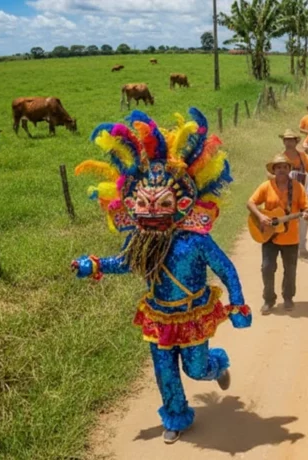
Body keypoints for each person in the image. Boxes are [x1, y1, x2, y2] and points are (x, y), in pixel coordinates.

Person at [71, 109, 252, 444]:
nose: (151, 210)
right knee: (164, 372)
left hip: (192, 314)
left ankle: (217, 366)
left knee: (195, 370)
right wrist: (93, 265)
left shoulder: (196, 240)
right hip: (158, 316)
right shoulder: (140, 240)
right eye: (144, 203)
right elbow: (125, 263)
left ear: (182, 202)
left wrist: (238, 303)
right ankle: (176, 415)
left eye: (162, 202)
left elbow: (226, 269)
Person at [247, 154, 308, 314]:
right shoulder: (266, 186)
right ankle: (269, 299)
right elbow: (250, 202)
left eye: (284, 167)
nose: (282, 170)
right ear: (274, 170)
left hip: (290, 237)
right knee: (267, 268)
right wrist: (261, 216)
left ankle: (288, 297)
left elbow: (306, 207)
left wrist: (307, 213)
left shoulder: (297, 187)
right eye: (278, 167)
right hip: (270, 237)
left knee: (290, 270)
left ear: (289, 170)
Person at [277, 129, 308, 258]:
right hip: (283, 193)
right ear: (283, 141)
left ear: (296, 141)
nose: (288, 142)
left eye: (291, 140)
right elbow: (271, 173)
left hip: (301, 193)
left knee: (304, 218)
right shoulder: (279, 157)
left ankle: (302, 247)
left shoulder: (303, 156)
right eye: (286, 140)